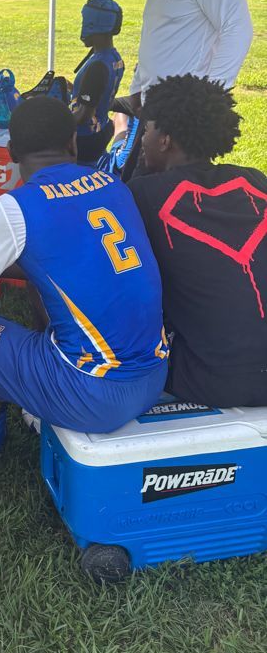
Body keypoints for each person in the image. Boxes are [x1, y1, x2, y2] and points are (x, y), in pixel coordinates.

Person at [0, 96, 169, 434]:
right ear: (73, 143)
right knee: (46, 282)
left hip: (89, 394)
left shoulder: (11, 210)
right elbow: (65, 261)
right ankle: (40, 388)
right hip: (153, 377)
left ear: (11, 151)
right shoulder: (114, 185)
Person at [130, 76, 266, 408]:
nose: (142, 138)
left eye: (146, 130)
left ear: (164, 140)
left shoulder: (144, 196)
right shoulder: (255, 180)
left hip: (210, 381)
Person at [69, 0, 125, 164]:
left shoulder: (97, 66)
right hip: (100, 129)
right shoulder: (115, 58)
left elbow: (84, 114)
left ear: (94, 25)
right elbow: (98, 93)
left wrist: (55, 122)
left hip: (84, 141)